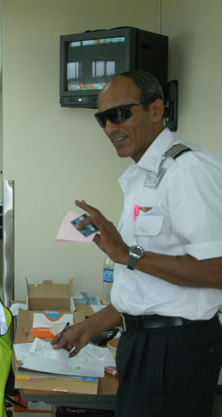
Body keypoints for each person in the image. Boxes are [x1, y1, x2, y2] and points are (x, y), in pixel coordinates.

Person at [52, 70, 222, 417]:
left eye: (120, 114)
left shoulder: (186, 171)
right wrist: (91, 326)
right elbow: (152, 289)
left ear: (156, 110)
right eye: (103, 120)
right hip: (144, 344)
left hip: (175, 349)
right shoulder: (143, 179)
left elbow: (218, 270)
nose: (111, 128)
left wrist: (127, 253)